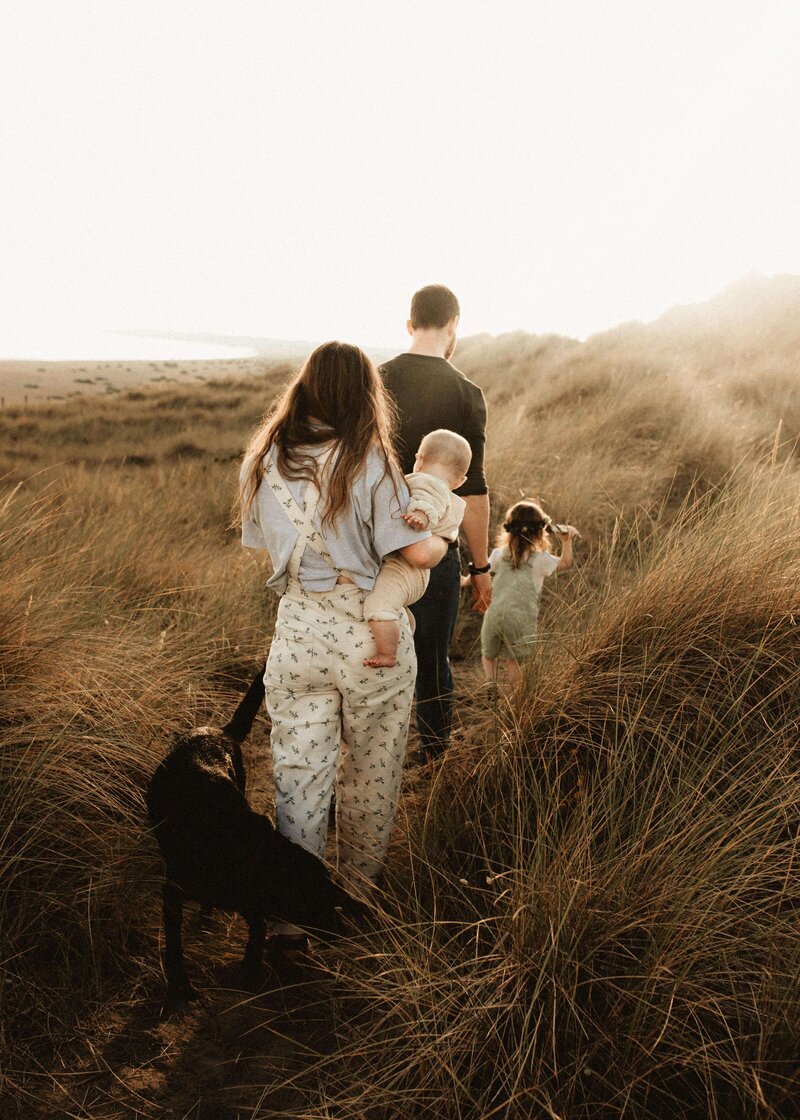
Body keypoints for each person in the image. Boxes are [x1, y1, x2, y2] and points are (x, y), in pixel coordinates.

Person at [239, 341, 446, 965]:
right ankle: (355, 902)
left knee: (298, 778)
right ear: (364, 394)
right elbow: (408, 553)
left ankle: (290, 926)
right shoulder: (369, 459)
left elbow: (262, 544)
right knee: (372, 775)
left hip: (298, 629)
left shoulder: (266, 457)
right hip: (366, 634)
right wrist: (436, 539)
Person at [380, 284, 491, 761]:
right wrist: (482, 568)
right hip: (439, 547)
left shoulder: (376, 380)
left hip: (377, 543)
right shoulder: (467, 393)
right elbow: (474, 489)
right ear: (453, 327)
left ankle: (371, 752)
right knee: (433, 661)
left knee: (370, 649)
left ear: (410, 324)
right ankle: (435, 757)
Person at [363, 428, 472, 669]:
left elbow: (426, 499)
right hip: (413, 572)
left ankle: (387, 653)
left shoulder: (425, 481)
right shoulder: (451, 495)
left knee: (377, 604)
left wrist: (420, 515)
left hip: (405, 568)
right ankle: (400, 627)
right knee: (393, 604)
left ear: (418, 460)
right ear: (461, 481)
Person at [480, 499, 578, 689]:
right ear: (540, 532)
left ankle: (490, 683)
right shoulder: (540, 560)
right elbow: (566, 563)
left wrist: (464, 580)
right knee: (514, 661)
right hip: (521, 621)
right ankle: (516, 695)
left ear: (508, 529)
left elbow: (480, 571)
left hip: (494, 615)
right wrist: (567, 542)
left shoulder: (499, 555)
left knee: (488, 654)